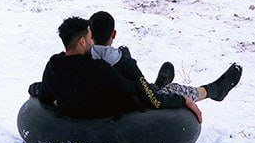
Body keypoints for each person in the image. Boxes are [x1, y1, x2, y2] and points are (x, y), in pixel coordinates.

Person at [27, 15, 242, 121]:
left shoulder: (53, 66)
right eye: (89, 37)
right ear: (82, 42)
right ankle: (212, 91)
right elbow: (141, 95)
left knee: (145, 83)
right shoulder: (99, 69)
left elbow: (44, 93)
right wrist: (182, 101)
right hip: (133, 108)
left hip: (97, 103)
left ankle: (157, 82)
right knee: (167, 91)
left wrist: (35, 88)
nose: (93, 41)